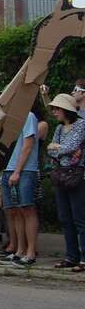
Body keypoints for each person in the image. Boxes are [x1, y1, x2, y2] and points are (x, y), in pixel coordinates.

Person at [0, 107, 40, 268]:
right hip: (8, 169)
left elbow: (28, 145)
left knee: (27, 209)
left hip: (24, 170)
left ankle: (31, 252)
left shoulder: (28, 116)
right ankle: (19, 250)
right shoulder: (10, 118)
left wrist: (17, 170)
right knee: (13, 211)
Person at [46, 94, 85, 272]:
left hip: (77, 176)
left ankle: (83, 257)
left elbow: (71, 146)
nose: (54, 112)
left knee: (80, 218)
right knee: (65, 218)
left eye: (57, 109)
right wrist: (59, 149)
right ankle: (71, 255)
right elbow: (51, 150)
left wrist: (58, 148)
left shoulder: (81, 125)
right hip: (61, 175)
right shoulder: (59, 129)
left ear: (66, 110)